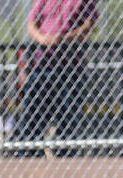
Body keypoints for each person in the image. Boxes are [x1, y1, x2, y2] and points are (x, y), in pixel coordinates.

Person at [21, 0, 98, 156]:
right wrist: (43, 39)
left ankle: (65, 159)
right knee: (32, 117)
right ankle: (29, 157)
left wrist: (64, 38)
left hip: (71, 66)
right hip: (42, 65)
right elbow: (31, 24)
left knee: (68, 120)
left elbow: (90, 25)